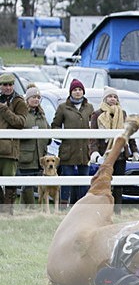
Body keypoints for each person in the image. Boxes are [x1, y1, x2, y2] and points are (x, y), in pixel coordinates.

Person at [89, 87, 139, 214]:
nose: (112, 99)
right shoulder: (97, 114)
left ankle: (117, 210)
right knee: (104, 183)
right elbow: (93, 136)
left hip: (121, 153)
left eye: (115, 97)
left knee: (119, 184)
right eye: (110, 96)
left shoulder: (122, 113)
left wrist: (134, 150)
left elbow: (129, 132)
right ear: (105, 99)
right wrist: (94, 152)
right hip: (104, 154)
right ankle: (103, 210)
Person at [51, 78, 94, 208]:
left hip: (84, 150)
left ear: (83, 92)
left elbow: (94, 126)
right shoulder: (63, 107)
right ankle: (63, 205)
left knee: (84, 180)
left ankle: (82, 206)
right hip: (68, 149)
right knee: (67, 179)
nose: (77, 92)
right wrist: (64, 135)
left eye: (80, 89)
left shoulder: (89, 107)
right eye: (75, 90)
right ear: (70, 92)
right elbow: (55, 126)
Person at [0, 76, 31, 214]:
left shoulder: (19, 102)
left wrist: (5, 110)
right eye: (5, 85)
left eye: (10, 85)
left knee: (10, 183)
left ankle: (7, 211)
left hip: (9, 150)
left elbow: (20, 122)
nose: (8, 87)